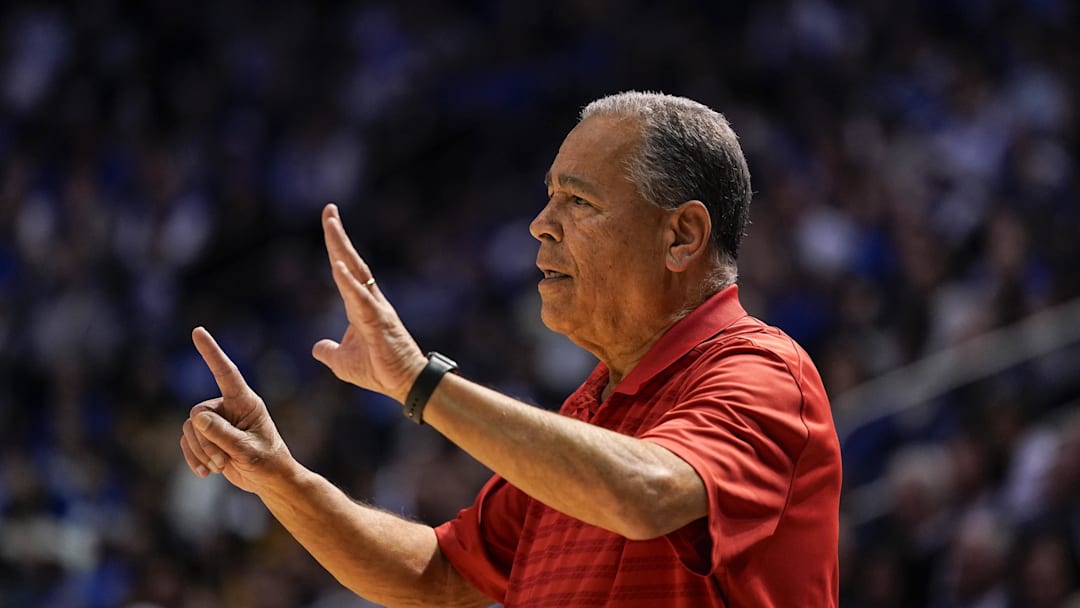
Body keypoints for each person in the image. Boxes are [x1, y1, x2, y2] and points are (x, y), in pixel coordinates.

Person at [179, 91, 842, 607]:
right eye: (548, 195)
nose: (540, 224)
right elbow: (435, 574)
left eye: (577, 201)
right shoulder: (584, 416)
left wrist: (421, 382)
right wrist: (279, 478)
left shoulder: (763, 374)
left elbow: (644, 494)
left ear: (682, 235)